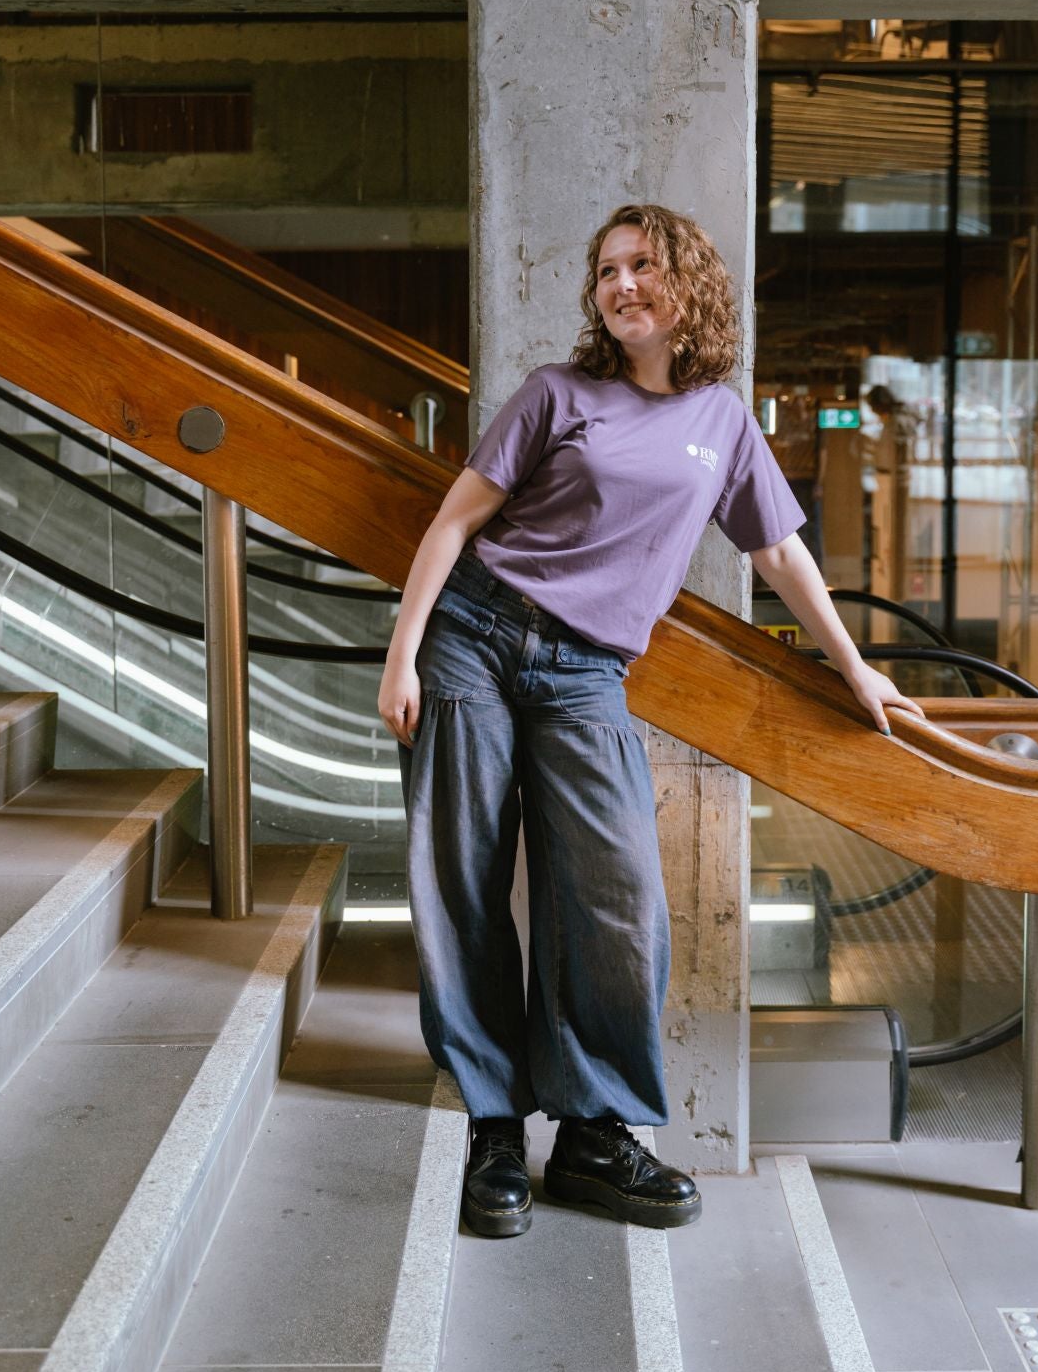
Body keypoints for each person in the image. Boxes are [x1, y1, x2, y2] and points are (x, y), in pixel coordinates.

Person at [377, 203, 923, 1239]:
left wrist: (853, 666)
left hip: (585, 672)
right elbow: (457, 516)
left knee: (616, 896)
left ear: (688, 286)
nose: (620, 283)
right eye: (605, 269)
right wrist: (402, 652)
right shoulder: (554, 393)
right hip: (476, 639)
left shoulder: (720, 421)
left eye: (641, 265)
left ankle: (591, 1132)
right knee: (463, 882)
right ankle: (494, 1127)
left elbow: (776, 553)